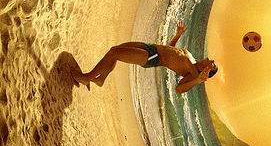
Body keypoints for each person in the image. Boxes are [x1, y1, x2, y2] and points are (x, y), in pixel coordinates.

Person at [72, 22, 217, 94]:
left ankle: (87, 77)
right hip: (152, 48)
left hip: (153, 57)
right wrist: (178, 35)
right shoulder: (191, 57)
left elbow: (179, 89)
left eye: (213, 65)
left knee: (114, 53)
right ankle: (101, 79)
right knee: (114, 51)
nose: (212, 61)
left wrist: (199, 80)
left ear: (207, 70)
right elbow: (171, 50)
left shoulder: (193, 74)